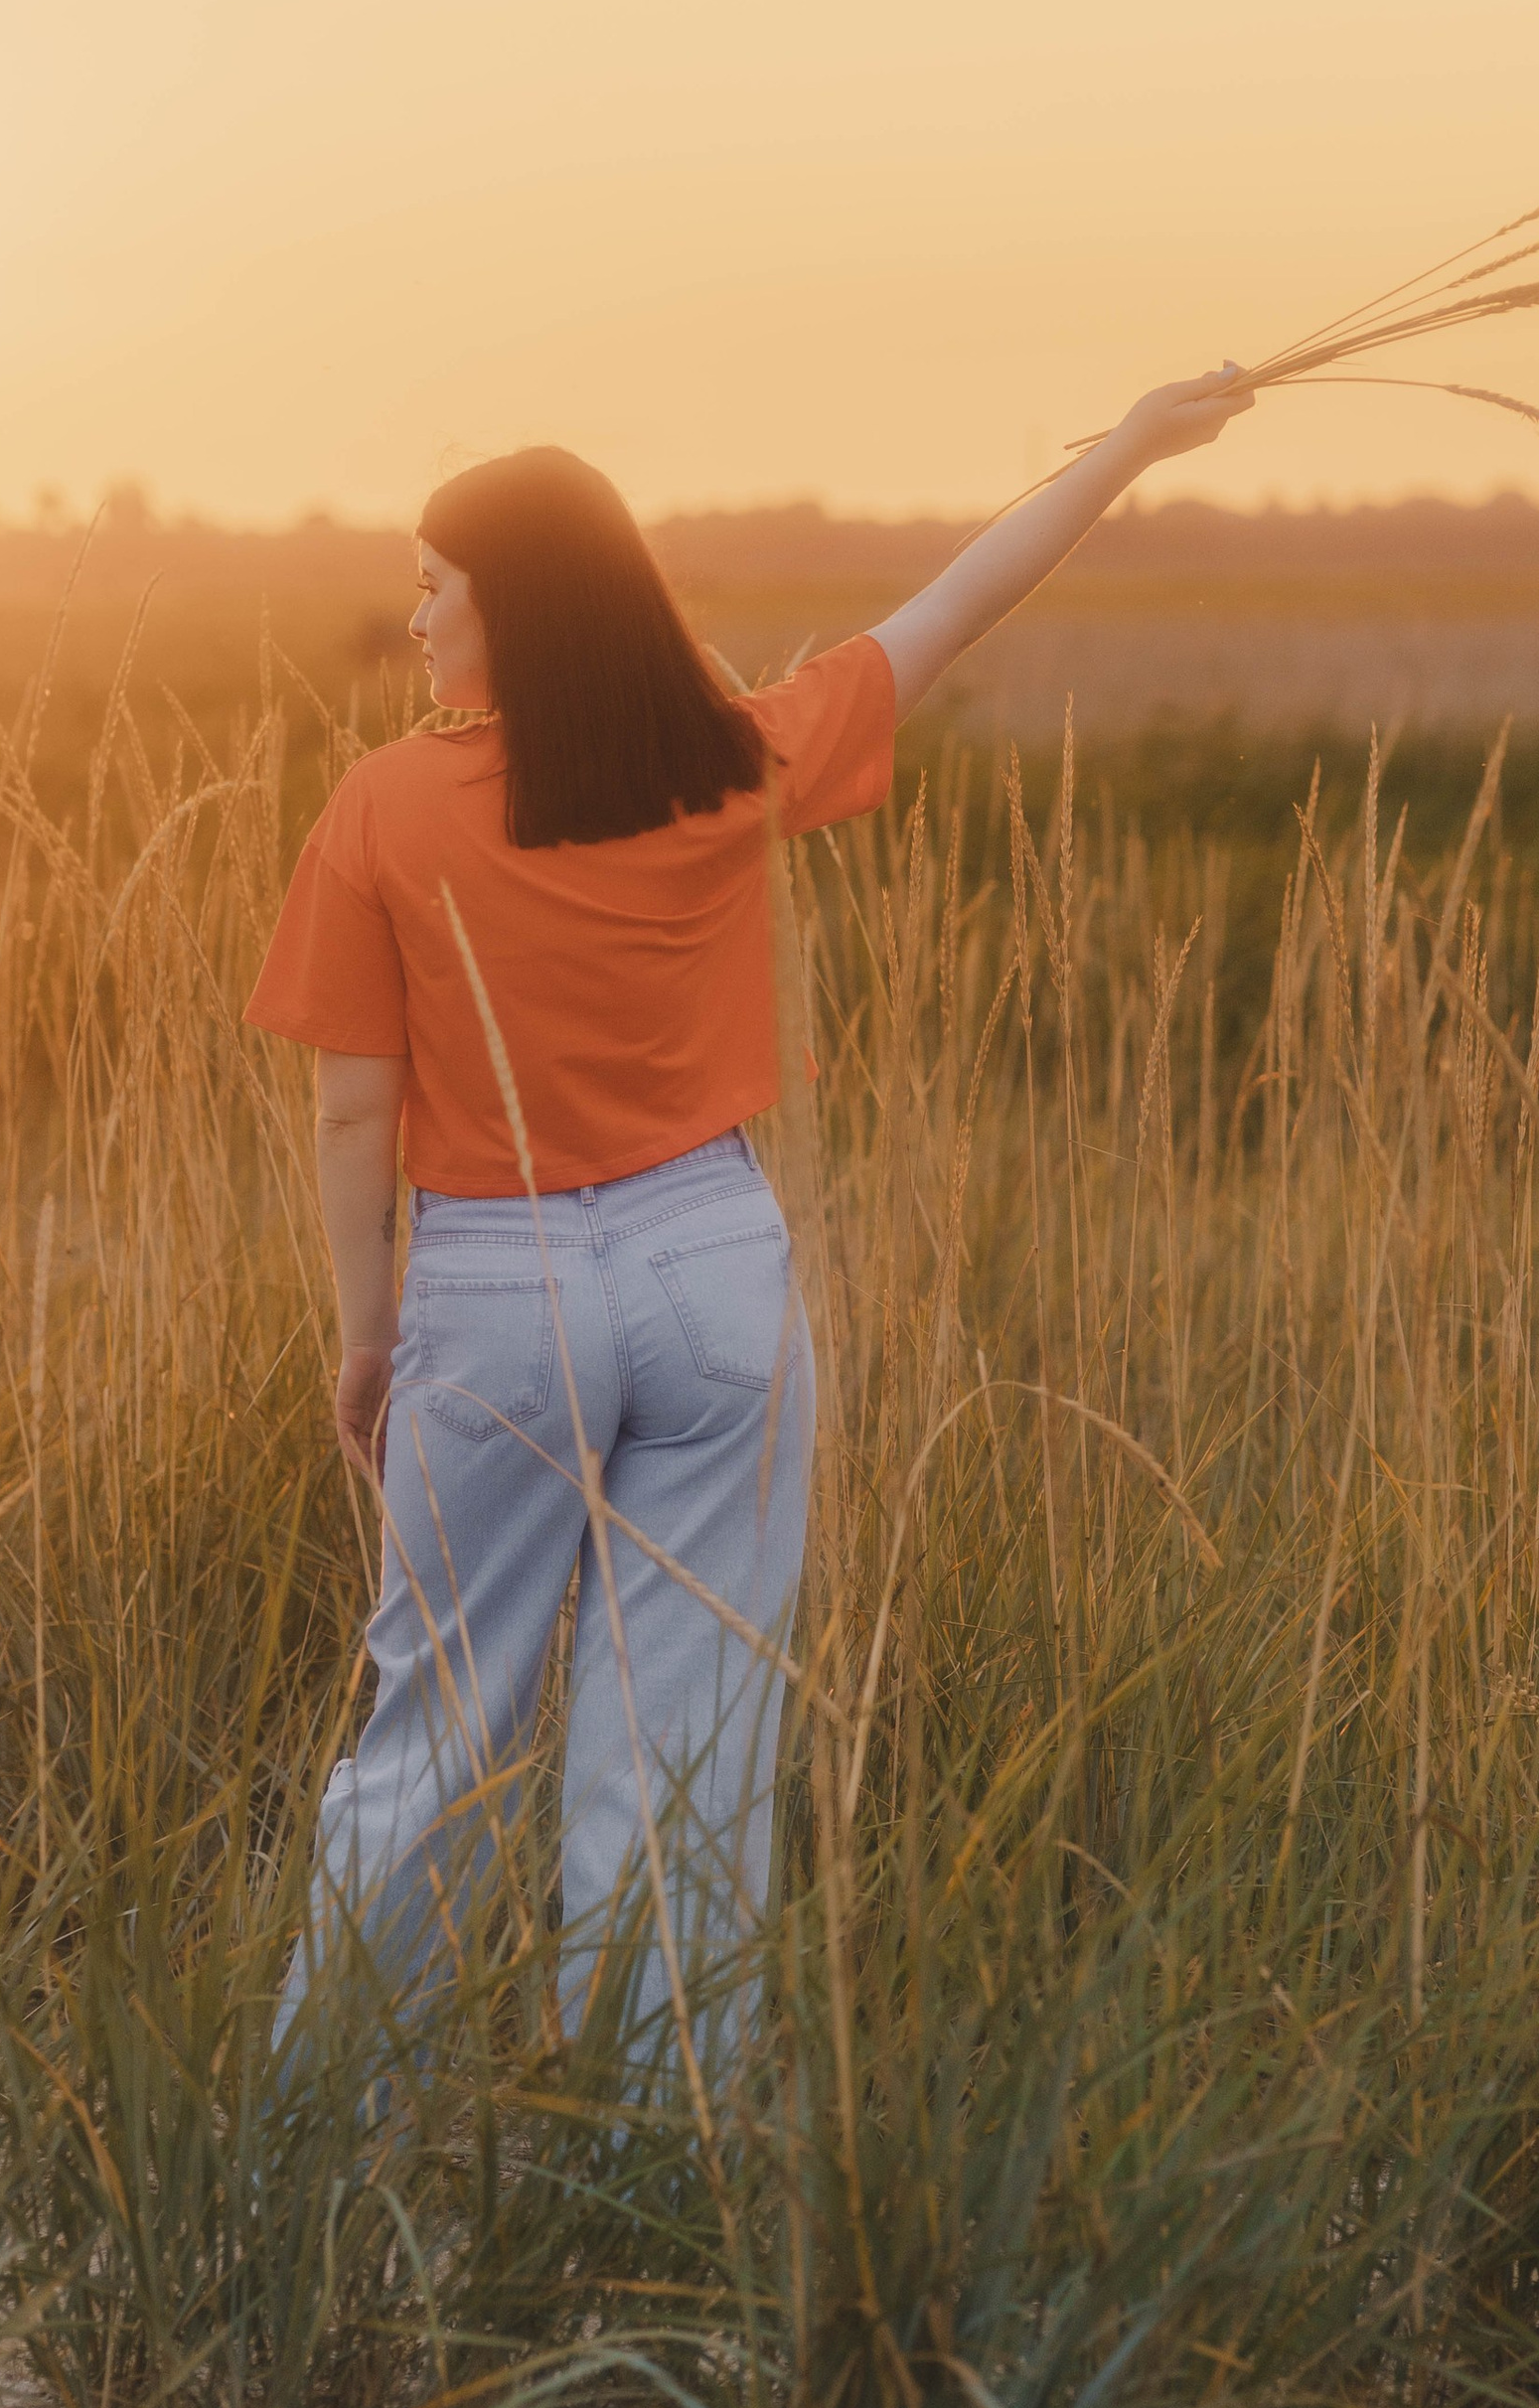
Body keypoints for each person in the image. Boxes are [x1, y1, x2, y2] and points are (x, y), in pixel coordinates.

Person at [245, 363, 1258, 2093]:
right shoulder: (723, 761)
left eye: (437, 586)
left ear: (513, 609)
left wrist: (364, 1331)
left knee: (439, 1731)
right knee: (688, 1736)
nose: (414, 617)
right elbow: (955, 604)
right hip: (715, 1266)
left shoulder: (383, 809)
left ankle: (314, 2144)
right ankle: (661, 2153)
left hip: (495, 1291)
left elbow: (355, 1108)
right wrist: (1139, 446)